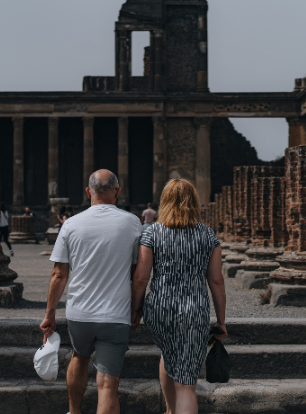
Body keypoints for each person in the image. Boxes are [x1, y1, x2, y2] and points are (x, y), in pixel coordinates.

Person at [40, 169, 141, 414]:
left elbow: (59, 274)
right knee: (107, 384)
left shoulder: (71, 224)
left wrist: (49, 314)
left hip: (80, 312)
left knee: (79, 357)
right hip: (116, 314)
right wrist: (137, 309)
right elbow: (138, 275)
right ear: (117, 192)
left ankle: (74, 411)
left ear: (88, 193)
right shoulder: (132, 222)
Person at [131, 179, 226, 414]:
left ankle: (171, 411)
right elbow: (216, 280)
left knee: (170, 352)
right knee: (186, 384)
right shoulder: (208, 235)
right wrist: (221, 321)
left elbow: (141, 278)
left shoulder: (152, 232)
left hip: (160, 309)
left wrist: (136, 309)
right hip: (194, 311)